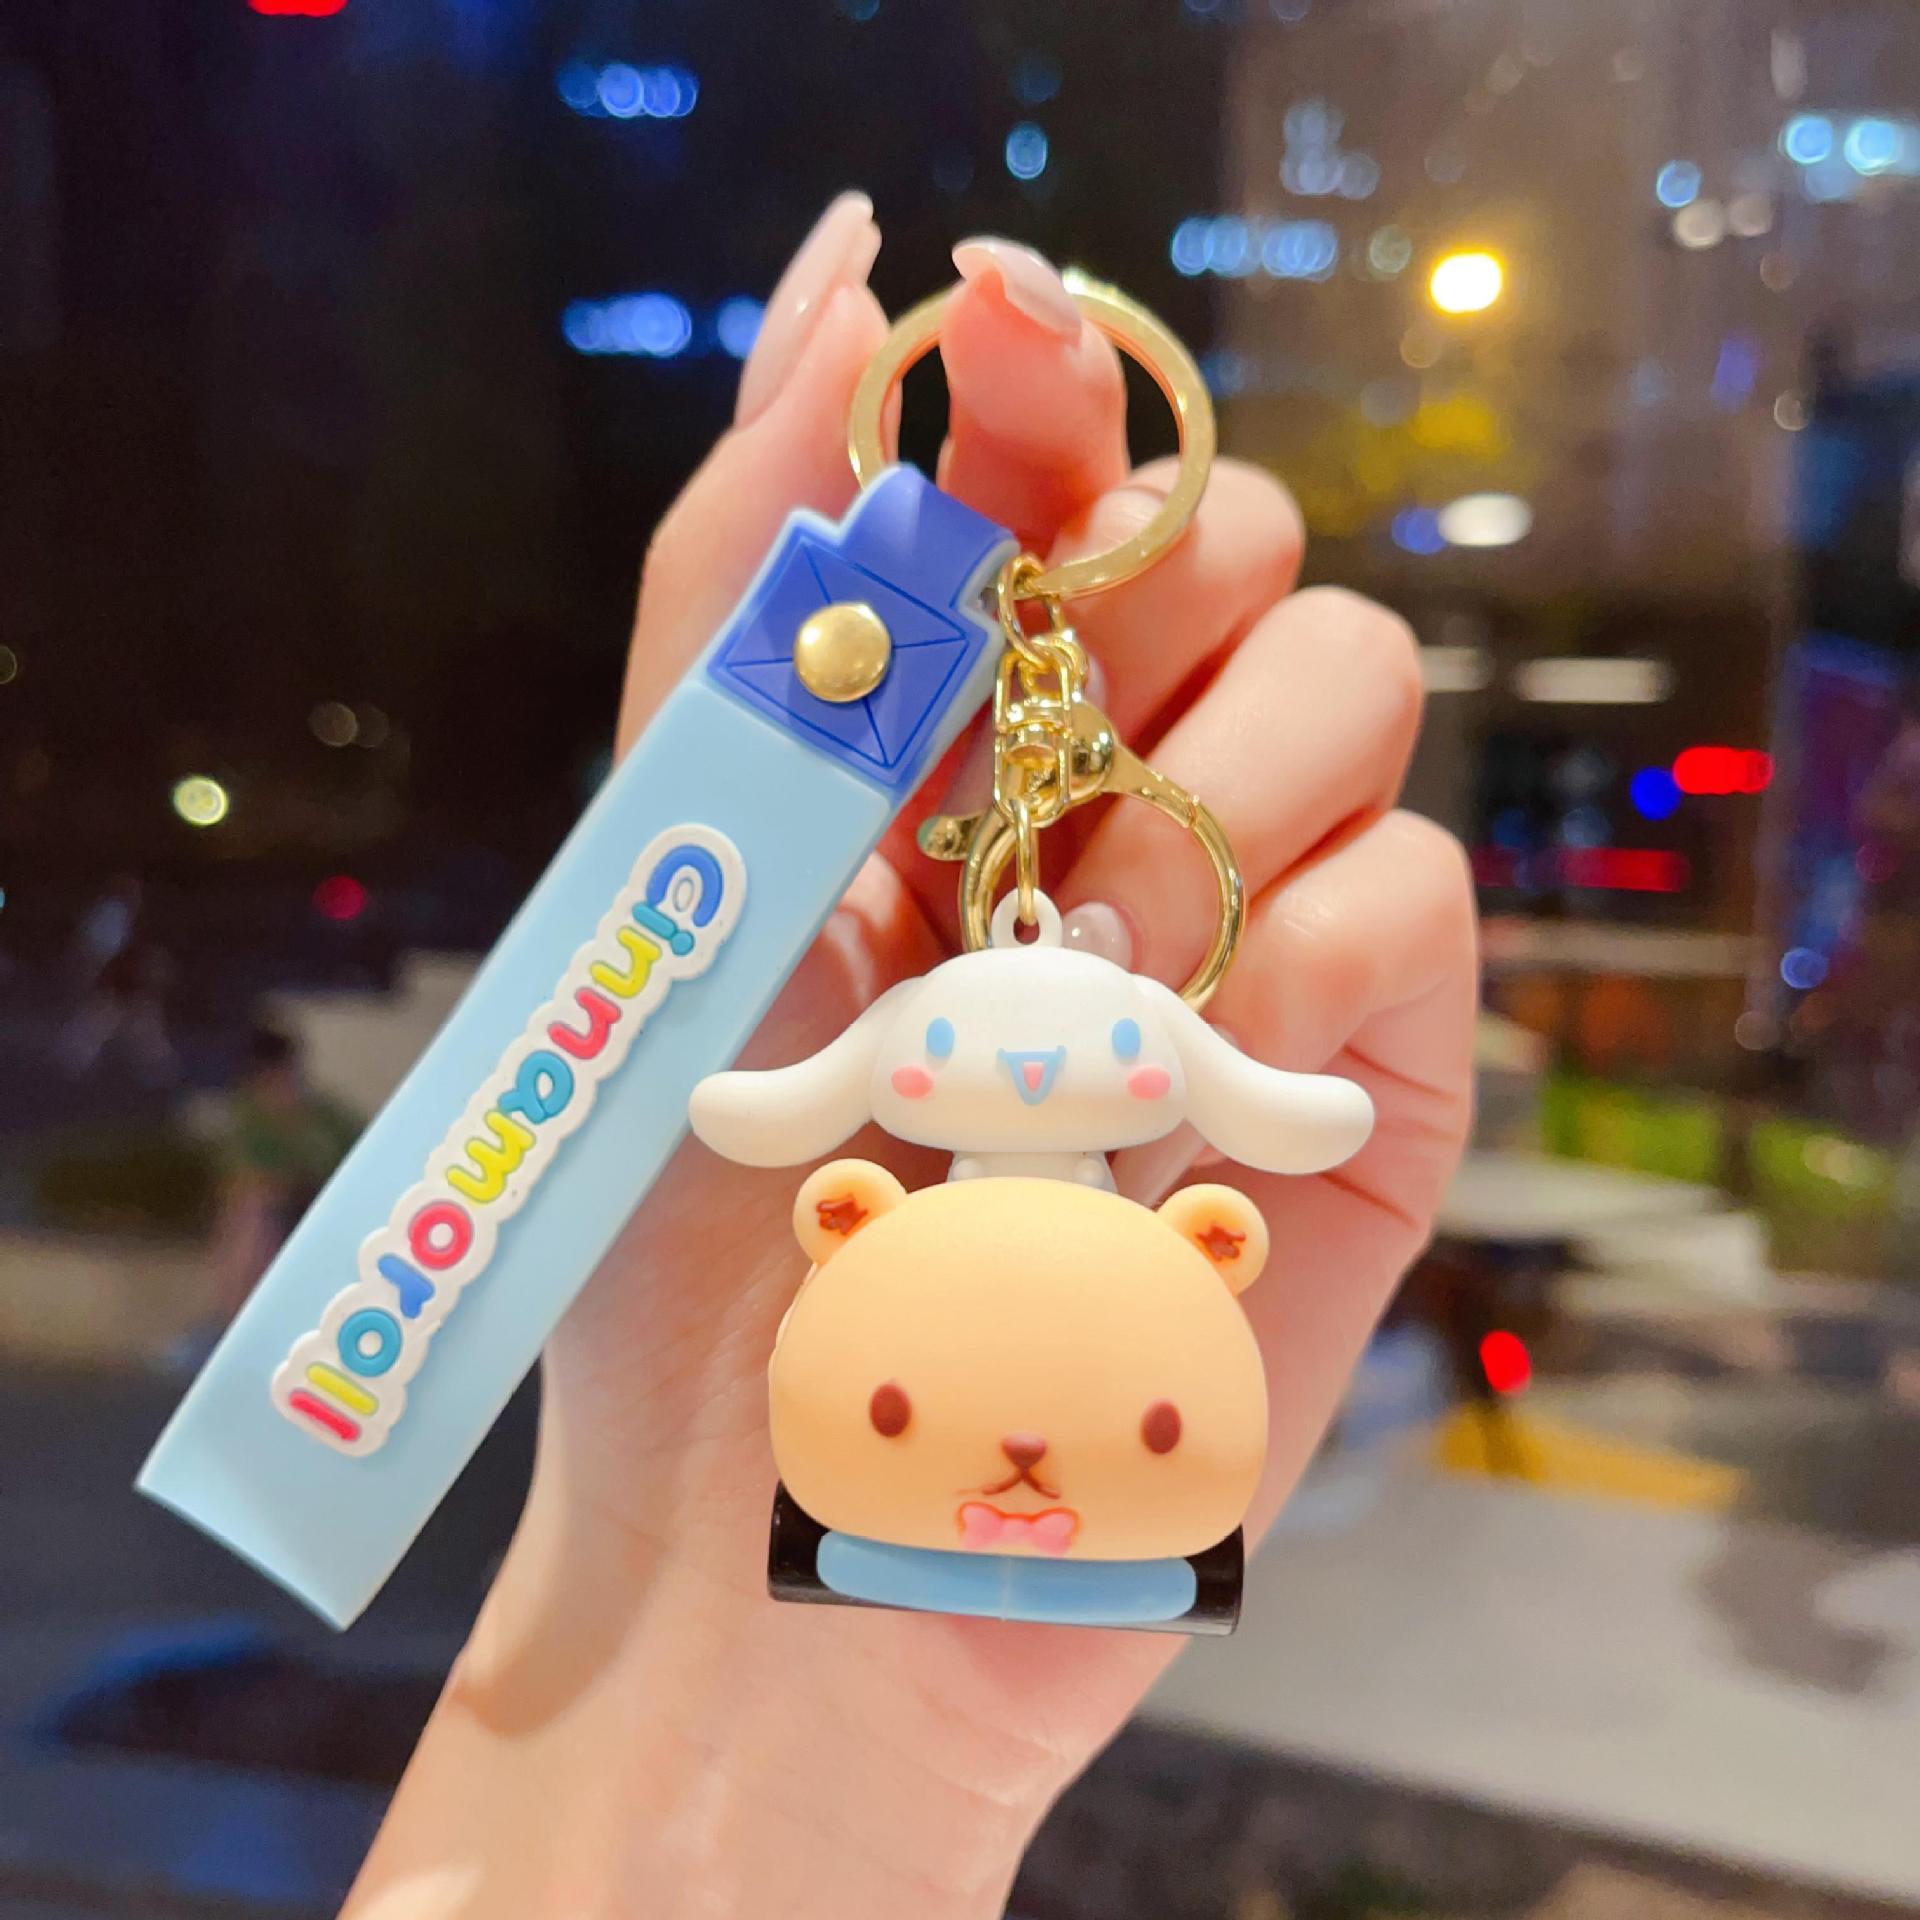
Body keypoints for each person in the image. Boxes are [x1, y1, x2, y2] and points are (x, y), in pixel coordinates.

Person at [340, 199, 1477, 1919]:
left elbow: (1230, 1104)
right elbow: (790, 1104)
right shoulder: (888, 1199)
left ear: (1216, 1239)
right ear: (843, 1215)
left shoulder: (1083, 1209)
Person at [208, 1021, 360, 1325]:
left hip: (332, 1210)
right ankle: (238, 1319)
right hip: (281, 1215)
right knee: (252, 1216)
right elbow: (246, 1183)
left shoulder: (327, 1118)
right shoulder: (249, 1122)